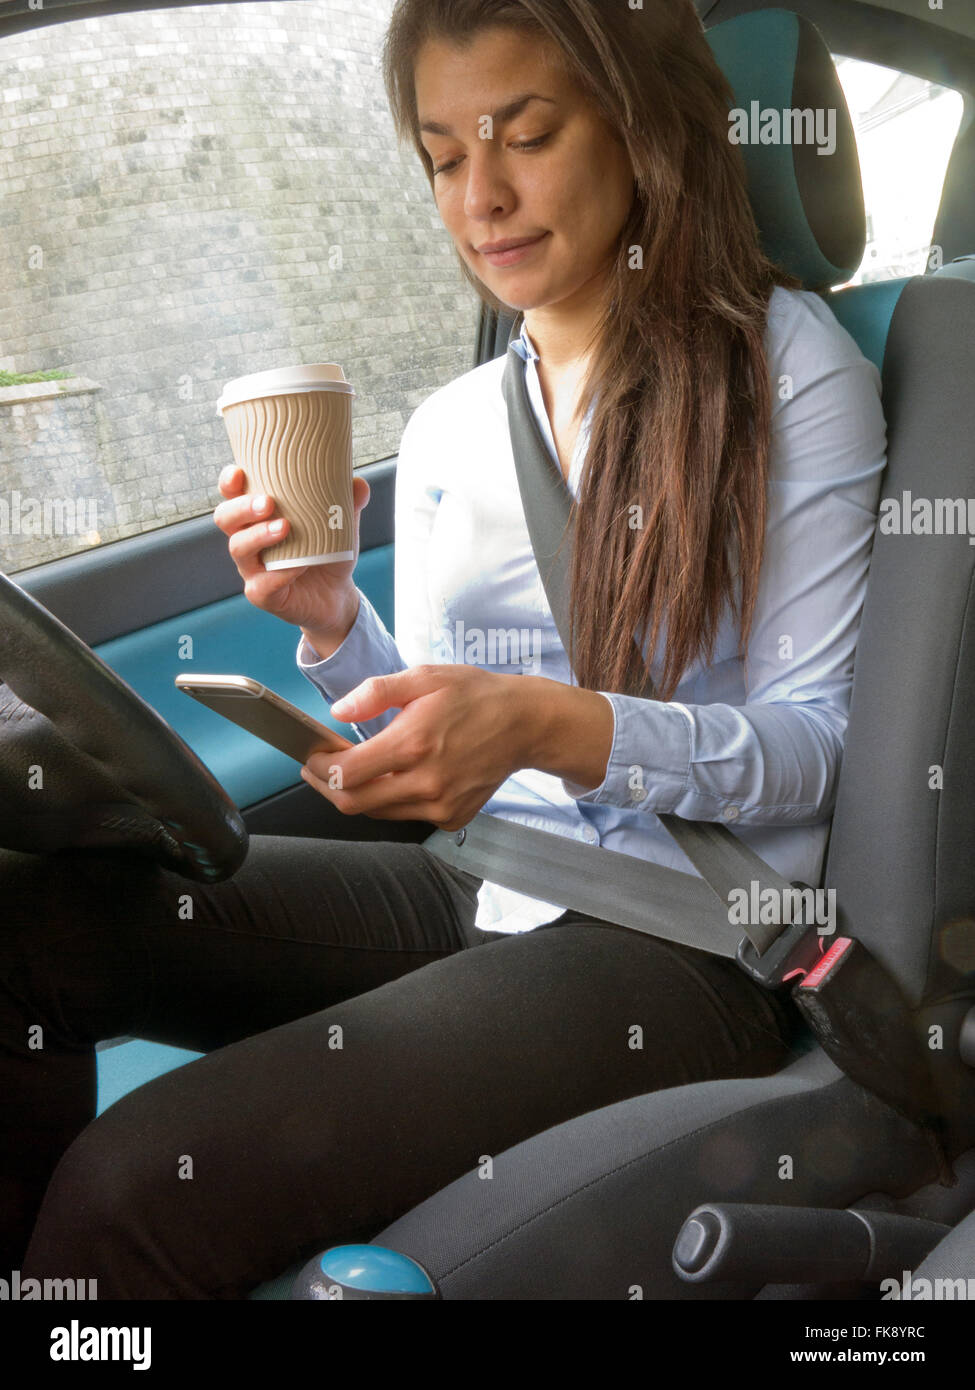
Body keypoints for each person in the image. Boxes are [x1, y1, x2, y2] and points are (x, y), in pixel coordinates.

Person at [1, 0, 886, 1298]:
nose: (484, 197)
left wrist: (546, 723)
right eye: (442, 157)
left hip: (682, 939)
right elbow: (422, 728)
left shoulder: (789, 368)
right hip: (473, 877)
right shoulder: (453, 425)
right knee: (27, 927)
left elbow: (818, 750)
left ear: (637, 129)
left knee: (134, 1185)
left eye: (524, 135)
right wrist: (325, 627)